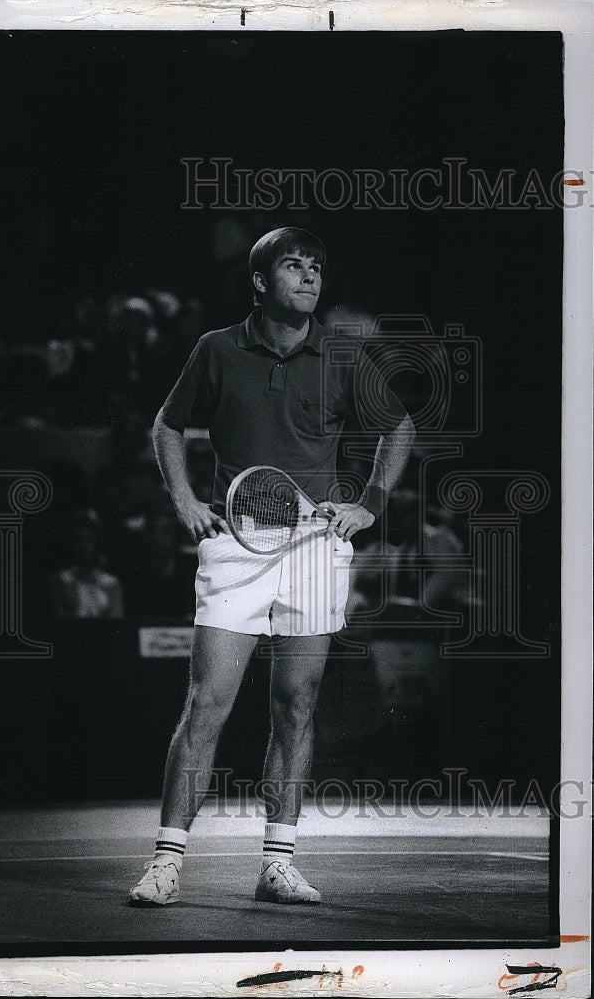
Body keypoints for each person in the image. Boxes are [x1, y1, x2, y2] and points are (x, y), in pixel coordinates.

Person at [129, 227, 415, 907]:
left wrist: (369, 503)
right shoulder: (216, 350)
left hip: (316, 544)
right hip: (238, 545)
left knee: (296, 705)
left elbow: (397, 427)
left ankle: (277, 863)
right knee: (207, 704)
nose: (308, 277)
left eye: (315, 266)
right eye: (292, 265)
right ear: (260, 281)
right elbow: (168, 426)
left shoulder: (343, 356)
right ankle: (166, 862)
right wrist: (184, 498)